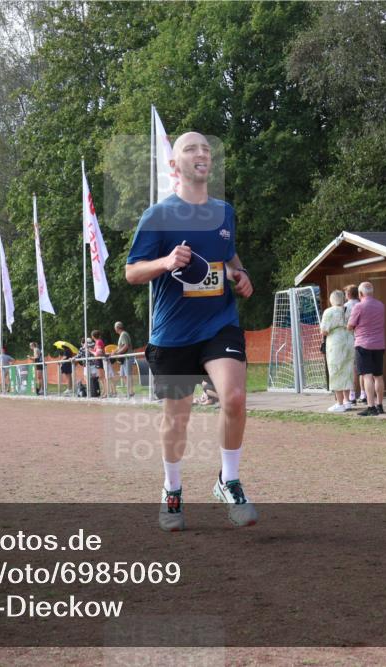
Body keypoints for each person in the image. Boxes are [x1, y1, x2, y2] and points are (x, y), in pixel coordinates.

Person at [125, 130, 256, 531]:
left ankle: (228, 481)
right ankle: (172, 489)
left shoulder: (224, 212)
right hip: (173, 333)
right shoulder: (157, 216)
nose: (201, 153)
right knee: (176, 421)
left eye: (205, 148)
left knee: (234, 397)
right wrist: (165, 262)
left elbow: (229, 256)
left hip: (219, 323)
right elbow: (132, 272)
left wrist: (240, 273)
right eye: (190, 148)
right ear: (174, 164)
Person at [347, 282, 386, 416]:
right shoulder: (381, 305)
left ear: (360, 293)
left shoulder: (358, 306)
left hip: (363, 344)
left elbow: (350, 325)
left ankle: (371, 407)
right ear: (372, 292)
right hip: (379, 344)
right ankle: (380, 405)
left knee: (367, 376)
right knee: (378, 376)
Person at [320, 290, 354, 412]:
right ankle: (347, 401)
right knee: (347, 370)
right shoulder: (349, 310)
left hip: (335, 342)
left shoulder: (329, 312)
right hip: (349, 340)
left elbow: (324, 331)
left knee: (336, 370)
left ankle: (339, 403)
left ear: (332, 300)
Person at [343, 284, 365, 404]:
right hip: (363, 337)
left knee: (352, 367)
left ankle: (352, 395)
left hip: (350, 338)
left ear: (348, 294)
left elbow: (345, 324)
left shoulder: (345, 307)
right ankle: (363, 393)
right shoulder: (362, 305)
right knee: (363, 367)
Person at [114, 321, 135, 398]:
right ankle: (129, 391)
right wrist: (114, 352)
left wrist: (117, 353)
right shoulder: (122, 335)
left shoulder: (123, 334)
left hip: (127, 357)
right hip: (124, 358)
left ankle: (131, 392)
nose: (114, 329)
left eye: (115, 327)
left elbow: (126, 346)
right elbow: (120, 347)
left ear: (117, 328)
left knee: (128, 375)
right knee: (122, 375)